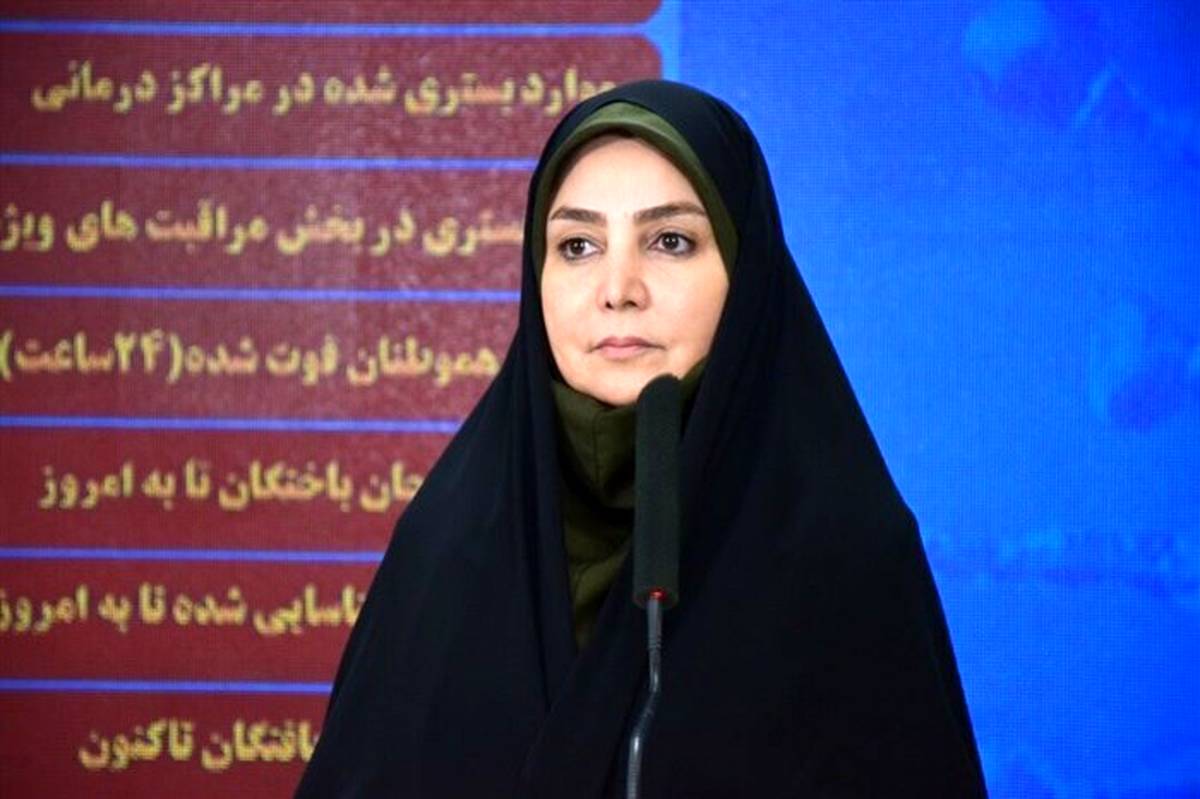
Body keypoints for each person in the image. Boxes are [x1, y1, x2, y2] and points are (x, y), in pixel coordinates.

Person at [295, 80, 988, 797]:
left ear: (745, 272)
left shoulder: (849, 554)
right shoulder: (443, 548)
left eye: (669, 241)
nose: (618, 287)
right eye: (578, 245)